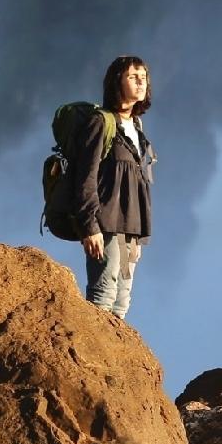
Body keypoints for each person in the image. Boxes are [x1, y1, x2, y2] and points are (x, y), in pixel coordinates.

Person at [66, 55, 154, 320]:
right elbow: (86, 176)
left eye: (143, 77)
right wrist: (89, 227)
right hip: (105, 223)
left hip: (131, 228)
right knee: (103, 294)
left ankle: (115, 358)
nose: (140, 83)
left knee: (122, 300)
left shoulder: (137, 127)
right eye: (132, 77)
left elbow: (140, 181)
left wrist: (140, 236)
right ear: (117, 81)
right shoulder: (101, 122)